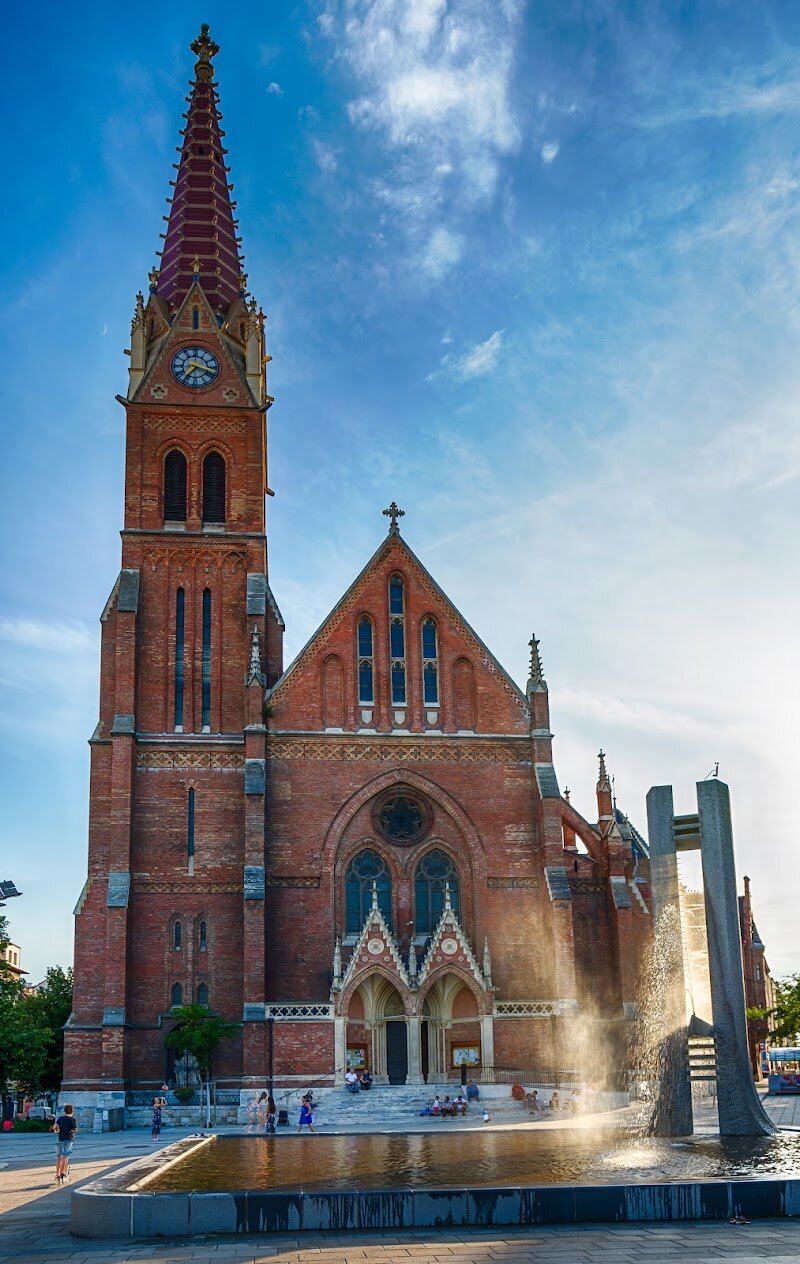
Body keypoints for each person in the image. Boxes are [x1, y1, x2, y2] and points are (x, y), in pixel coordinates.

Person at [53, 1104, 77, 1184]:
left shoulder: (60, 1118)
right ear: (72, 1111)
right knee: (66, 1156)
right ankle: (63, 1173)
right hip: (69, 1139)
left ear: (65, 1111)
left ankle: (58, 1174)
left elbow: (54, 1127)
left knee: (60, 1157)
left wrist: (57, 1130)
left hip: (61, 1138)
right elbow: (74, 1129)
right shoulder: (72, 1119)